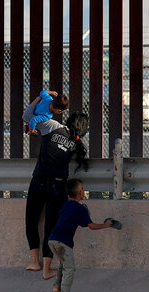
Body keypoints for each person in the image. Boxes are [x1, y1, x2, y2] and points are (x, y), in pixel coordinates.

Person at [23, 112, 92, 280]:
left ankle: (35, 262)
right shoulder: (76, 144)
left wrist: (41, 97)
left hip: (39, 181)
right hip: (59, 185)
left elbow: (27, 116)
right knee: (52, 227)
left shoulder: (53, 126)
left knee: (31, 220)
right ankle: (47, 269)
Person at [48, 179, 118, 292]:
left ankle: (57, 286)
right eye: (83, 189)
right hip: (64, 242)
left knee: (63, 265)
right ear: (80, 192)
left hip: (52, 239)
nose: (84, 191)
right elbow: (90, 226)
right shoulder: (80, 209)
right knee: (70, 268)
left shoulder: (65, 205)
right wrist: (105, 225)